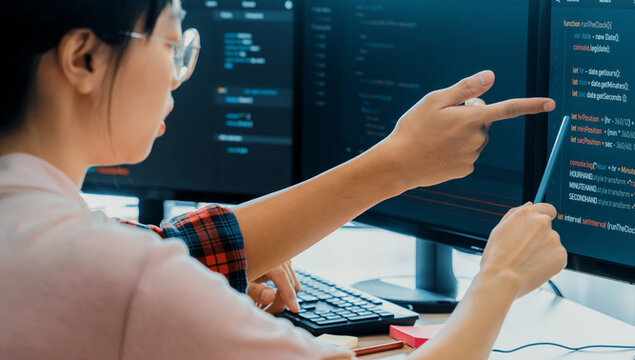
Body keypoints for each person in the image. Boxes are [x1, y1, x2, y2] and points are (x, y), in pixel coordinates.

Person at [0, 0, 567, 359]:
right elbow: (131, 272)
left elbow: (158, 247)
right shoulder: (123, 279)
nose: (181, 73)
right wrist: (501, 279)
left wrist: (396, 163)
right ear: (84, 59)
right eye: (175, 44)